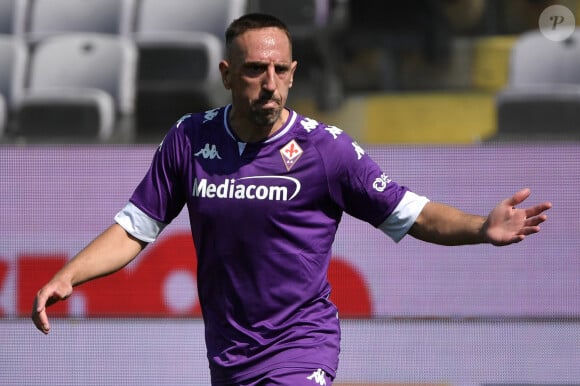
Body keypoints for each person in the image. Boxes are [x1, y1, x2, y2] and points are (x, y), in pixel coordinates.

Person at [31, 13, 552, 386]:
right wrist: (69, 273)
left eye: (281, 71)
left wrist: (481, 227)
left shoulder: (328, 151)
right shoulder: (189, 140)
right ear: (228, 75)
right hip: (230, 355)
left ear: (294, 72)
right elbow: (134, 228)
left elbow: (411, 213)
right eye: (256, 70)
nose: (270, 84)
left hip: (302, 343)